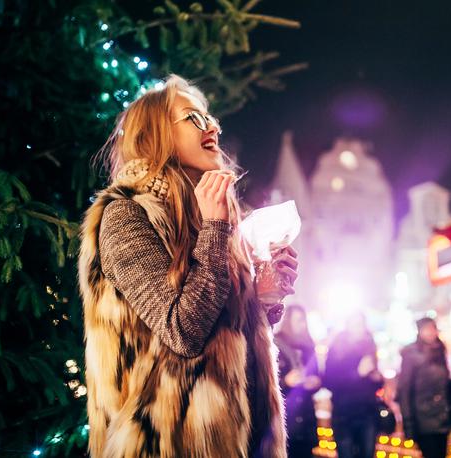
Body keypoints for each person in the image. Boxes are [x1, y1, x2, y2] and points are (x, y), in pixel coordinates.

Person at [78, 75, 298, 457]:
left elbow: (228, 336)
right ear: (155, 135)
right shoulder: (126, 216)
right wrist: (215, 229)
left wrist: (265, 298)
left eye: (210, 117)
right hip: (169, 442)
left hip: (244, 438)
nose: (212, 125)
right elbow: (183, 332)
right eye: (194, 118)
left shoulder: (212, 217)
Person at [324, 312, 383, 458]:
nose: (360, 328)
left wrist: (377, 379)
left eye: (362, 324)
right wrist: (357, 374)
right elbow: (329, 381)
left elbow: (374, 384)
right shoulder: (337, 348)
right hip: (344, 414)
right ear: (348, 326)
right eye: (356, 324)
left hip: (367, 412)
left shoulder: (370, 345)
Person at [397, 317, 451, 458]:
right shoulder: (411, 354)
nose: (430, 333)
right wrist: (408, 424)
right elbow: (405, 390)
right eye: (426, 329)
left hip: (442, 415)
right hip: (423, 417)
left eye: (432, 328)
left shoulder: (440, 350)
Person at [274, 305, 321, 458]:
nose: (302, 324)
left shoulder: (308, 345)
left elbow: (319, 375)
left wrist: (314, 382)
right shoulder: (275, 344)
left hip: (306, 416)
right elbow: (263, 382)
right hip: (285, 417)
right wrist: (285, 382)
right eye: (298, 320)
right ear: (288, 321)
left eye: (303, 320)